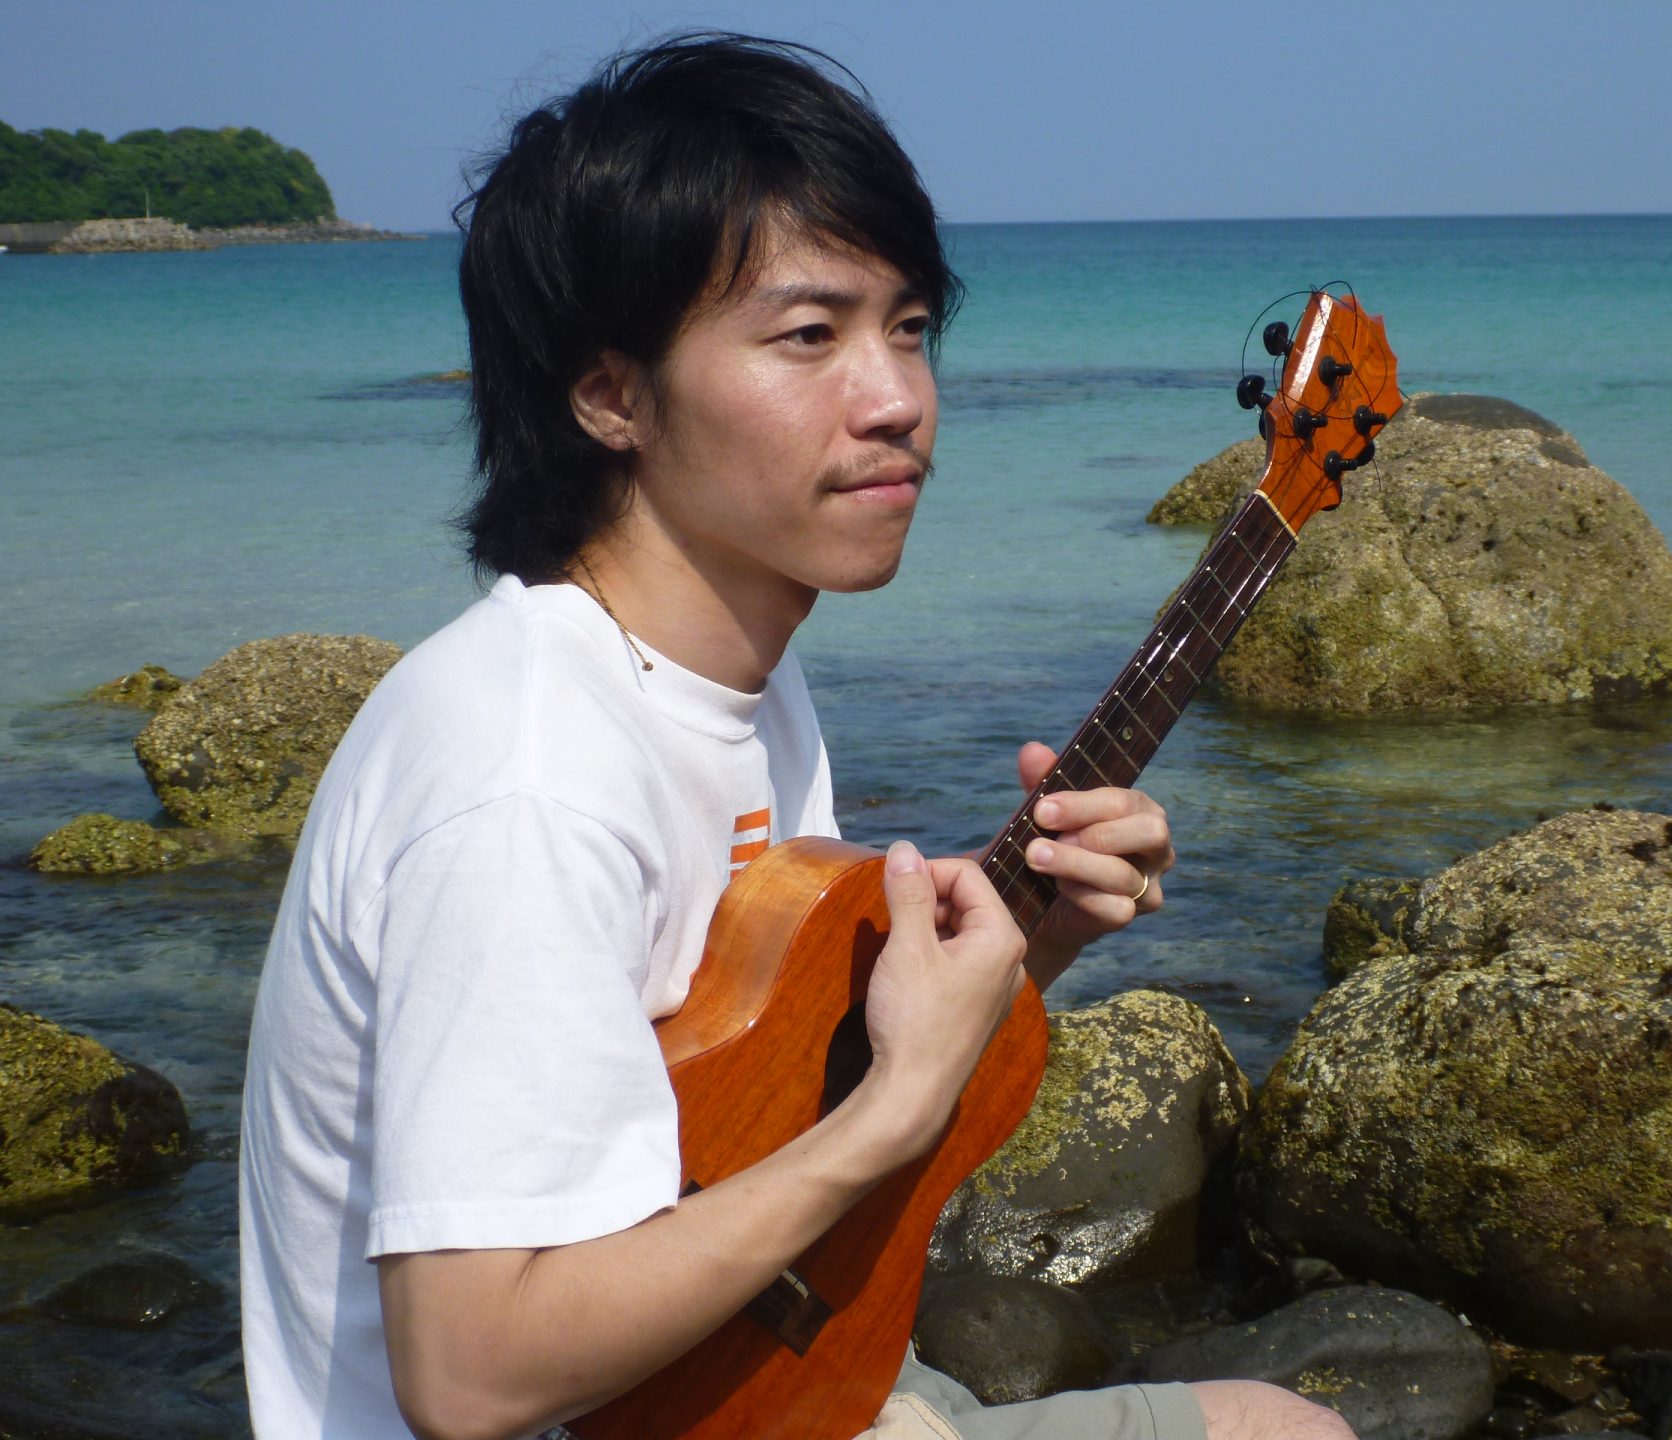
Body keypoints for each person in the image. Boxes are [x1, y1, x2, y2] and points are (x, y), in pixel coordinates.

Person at [238, 33, 1356, 1440]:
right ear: (611, 396)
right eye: (809, 335)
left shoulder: (728, 678)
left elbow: (743, 1085)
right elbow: (470, 1377)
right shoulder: (527, 775)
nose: (896, 399)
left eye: (909, 327)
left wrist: (1025, 946)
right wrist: (897, 1112)